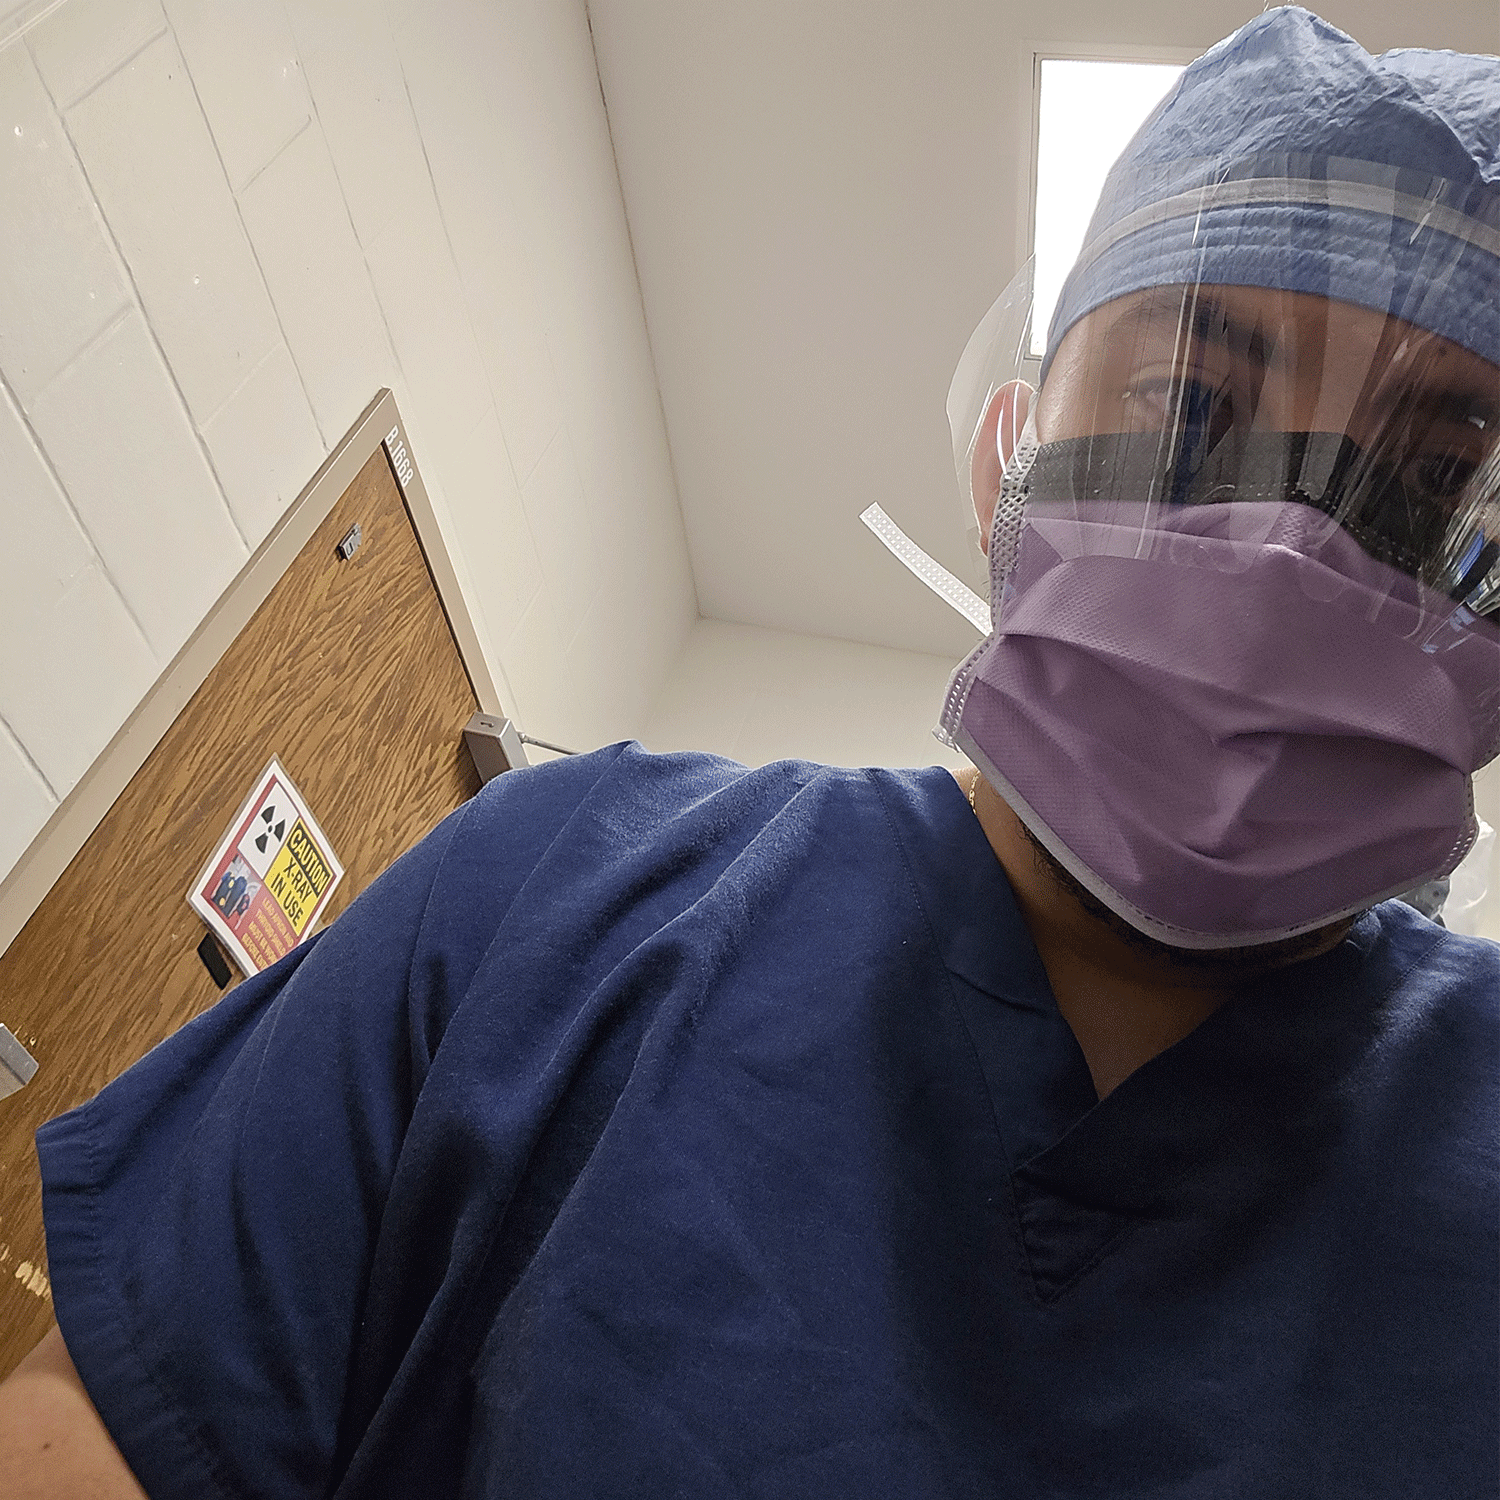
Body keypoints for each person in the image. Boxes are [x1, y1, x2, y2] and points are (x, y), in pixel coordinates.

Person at [1, 8, 1495, 1497]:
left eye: (1437, 476)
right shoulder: (555, 894)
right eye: (1192, 404)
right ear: (1008, 459)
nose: (1291, 548)